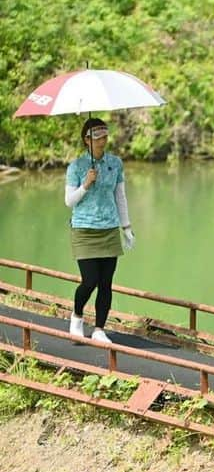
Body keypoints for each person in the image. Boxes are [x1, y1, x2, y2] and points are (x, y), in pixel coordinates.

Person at [64, 118, 135, 344]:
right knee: (90, 280)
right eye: (98, 137)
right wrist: (85, 184)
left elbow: (120, 196)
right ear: (87, 140)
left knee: (106, 282)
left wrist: (127, 227)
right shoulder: (76, 166)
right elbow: (69, 201)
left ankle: (99, 329)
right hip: (84, 229)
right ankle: (76, 316)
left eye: (105, 136)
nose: (103, 141)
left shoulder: (115, 163)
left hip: (109, 228)